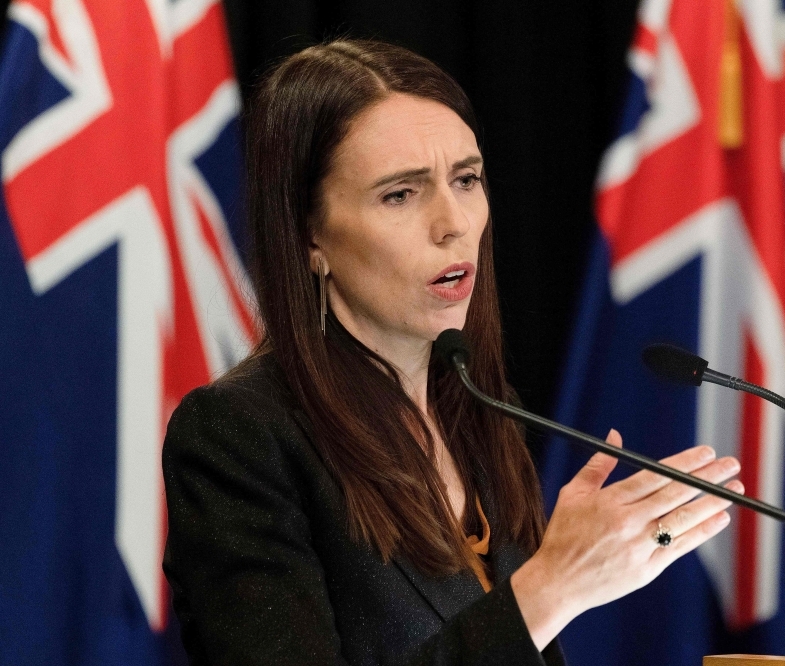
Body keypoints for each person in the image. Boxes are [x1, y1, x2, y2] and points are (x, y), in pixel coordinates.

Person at [161, 38, 743, 666]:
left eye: (466, 180)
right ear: (309, 235)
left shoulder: (482, 412)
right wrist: (553, 586)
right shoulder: (238, 437)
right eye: (400, 195)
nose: (453, 222)